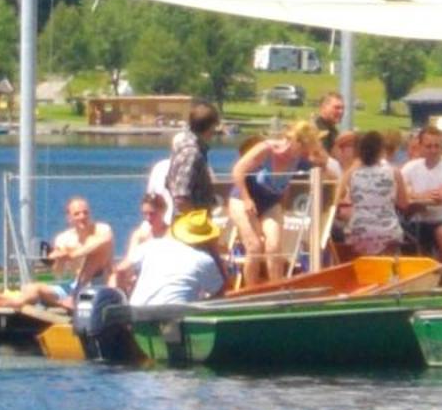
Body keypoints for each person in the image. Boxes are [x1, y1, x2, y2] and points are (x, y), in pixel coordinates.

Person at [229, 121, 329, 290]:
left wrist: (321, 157)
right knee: (254, 246)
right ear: (297, 142)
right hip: (243, 198)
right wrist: (246, 199)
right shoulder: (266, 149)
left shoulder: (299, 160)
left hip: (270, 203)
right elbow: (237, 171)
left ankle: (276, 290)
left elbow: (324, 169)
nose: (307, 153)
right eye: (306, 147)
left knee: (274, 246)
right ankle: (249, 292)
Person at [0, 196, 114, 309]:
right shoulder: (63, 238)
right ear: (69, 218)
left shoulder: (101, 230)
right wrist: (58, 260)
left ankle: (72, 300)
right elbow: (58, 274)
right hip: (72, 286)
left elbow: (102, 242)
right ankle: (16, 301)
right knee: (31, 287)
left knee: (94, 255)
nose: (82, 217)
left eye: (85, 213)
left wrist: (70, 254)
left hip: (98, 285)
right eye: (77, 214)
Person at [401, 125, 442, 285]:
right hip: (420, 221)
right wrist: (422, 197)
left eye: (437, 146)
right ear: (420, 147)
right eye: (429, 146)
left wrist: (414, 196)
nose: (433, 150)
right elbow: (399, 194)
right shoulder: (411, 167)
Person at [129, 207, 230, 307]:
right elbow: (222, 292)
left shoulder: (152, 245)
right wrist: (214, 251)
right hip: (173, 317)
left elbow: (128, 269)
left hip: (136, 313)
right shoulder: (203, 260)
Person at [339, 130, 408, 256]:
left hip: (359, 231)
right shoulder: (394, 172)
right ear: (381, 150)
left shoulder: (353, 173)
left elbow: (338, 193)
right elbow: (403, 204)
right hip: (387, 231)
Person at [165, 101, 223, 218]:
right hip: (190, 229)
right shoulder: (191, 152)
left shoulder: (186, 145)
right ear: (211, 126)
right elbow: (181, 197)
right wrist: (196, 222)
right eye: (214, 126)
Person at [114, 187, 171, 293]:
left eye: (152, 214)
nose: (148, 218)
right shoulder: (140, 235)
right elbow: (129, 260)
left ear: (163, 211)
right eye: (145, 214)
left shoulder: (172, 234)